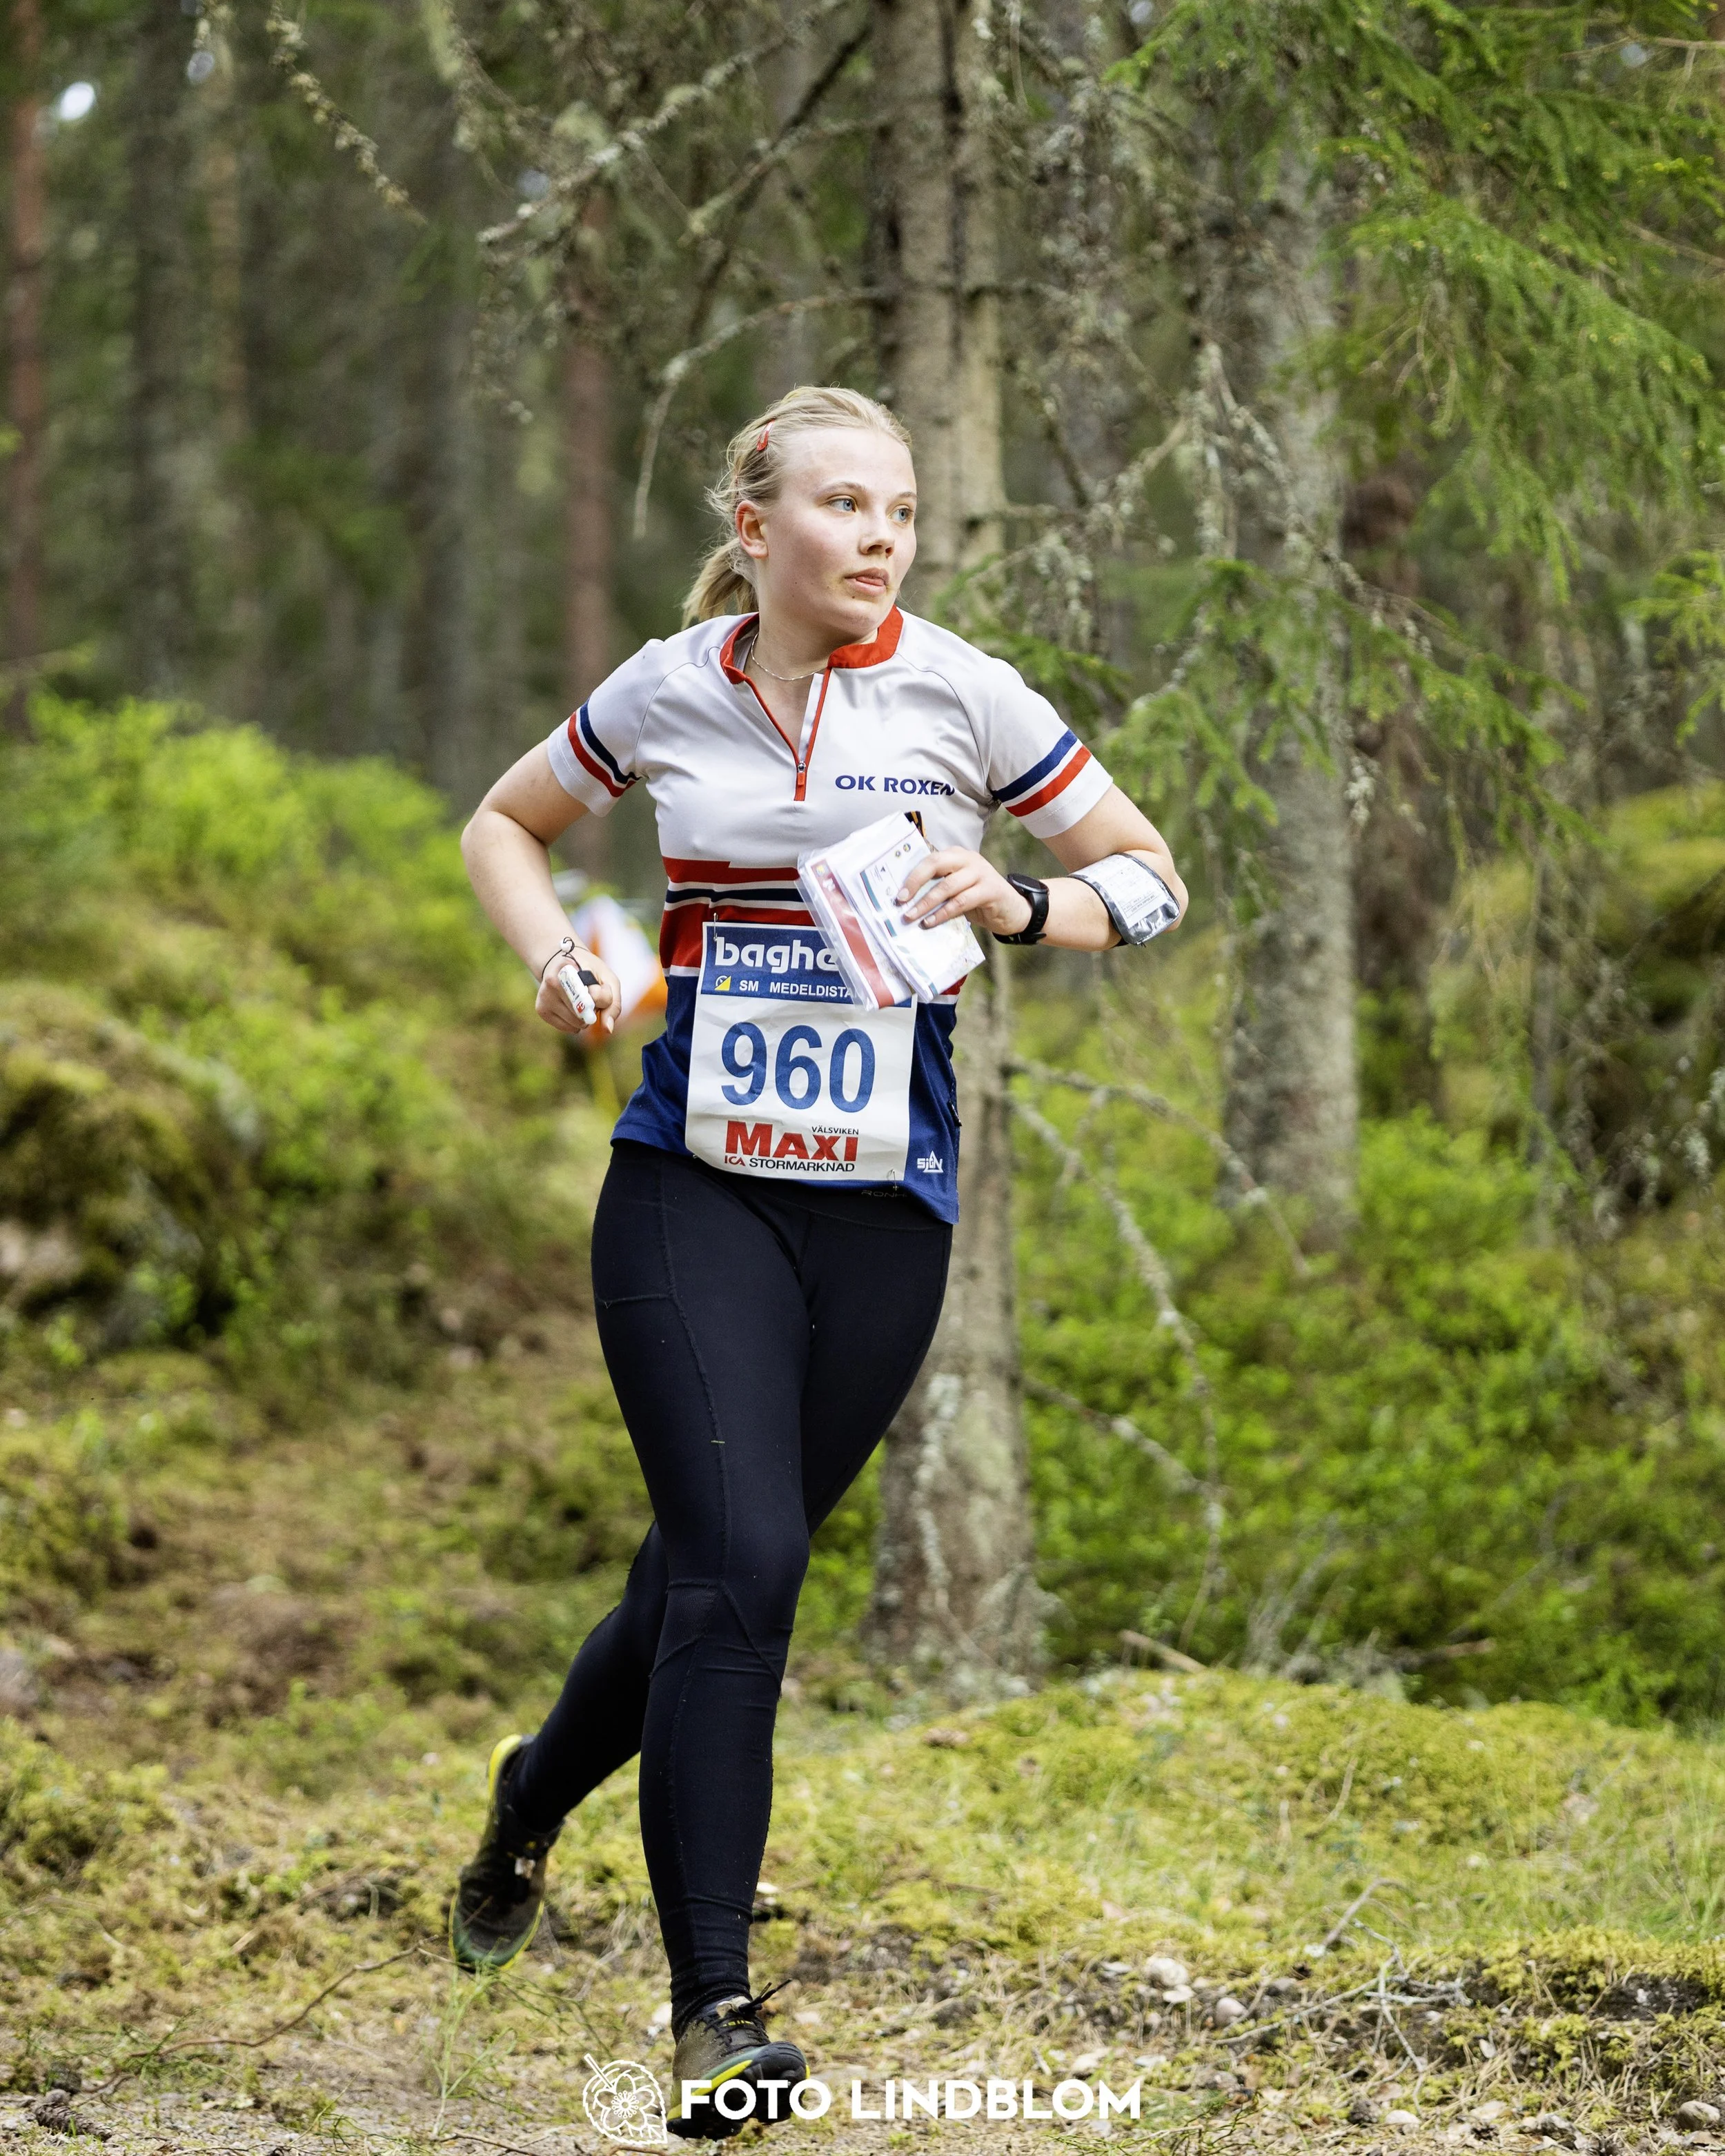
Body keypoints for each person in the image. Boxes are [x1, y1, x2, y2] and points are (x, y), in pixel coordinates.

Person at [451, 384, 1187, 2137]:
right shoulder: (666, 686)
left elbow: (1151, 877)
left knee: (697, 1580)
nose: (879, 536)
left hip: (881, 1208)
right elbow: (501, 823)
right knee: (746, 1561)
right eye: (845, 503)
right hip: (690, 1181)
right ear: (753, 521)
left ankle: (530, 1794)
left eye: (901, 510)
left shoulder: (965, 692)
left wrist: (1022, 902)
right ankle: (714, 2018)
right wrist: (555, 955)